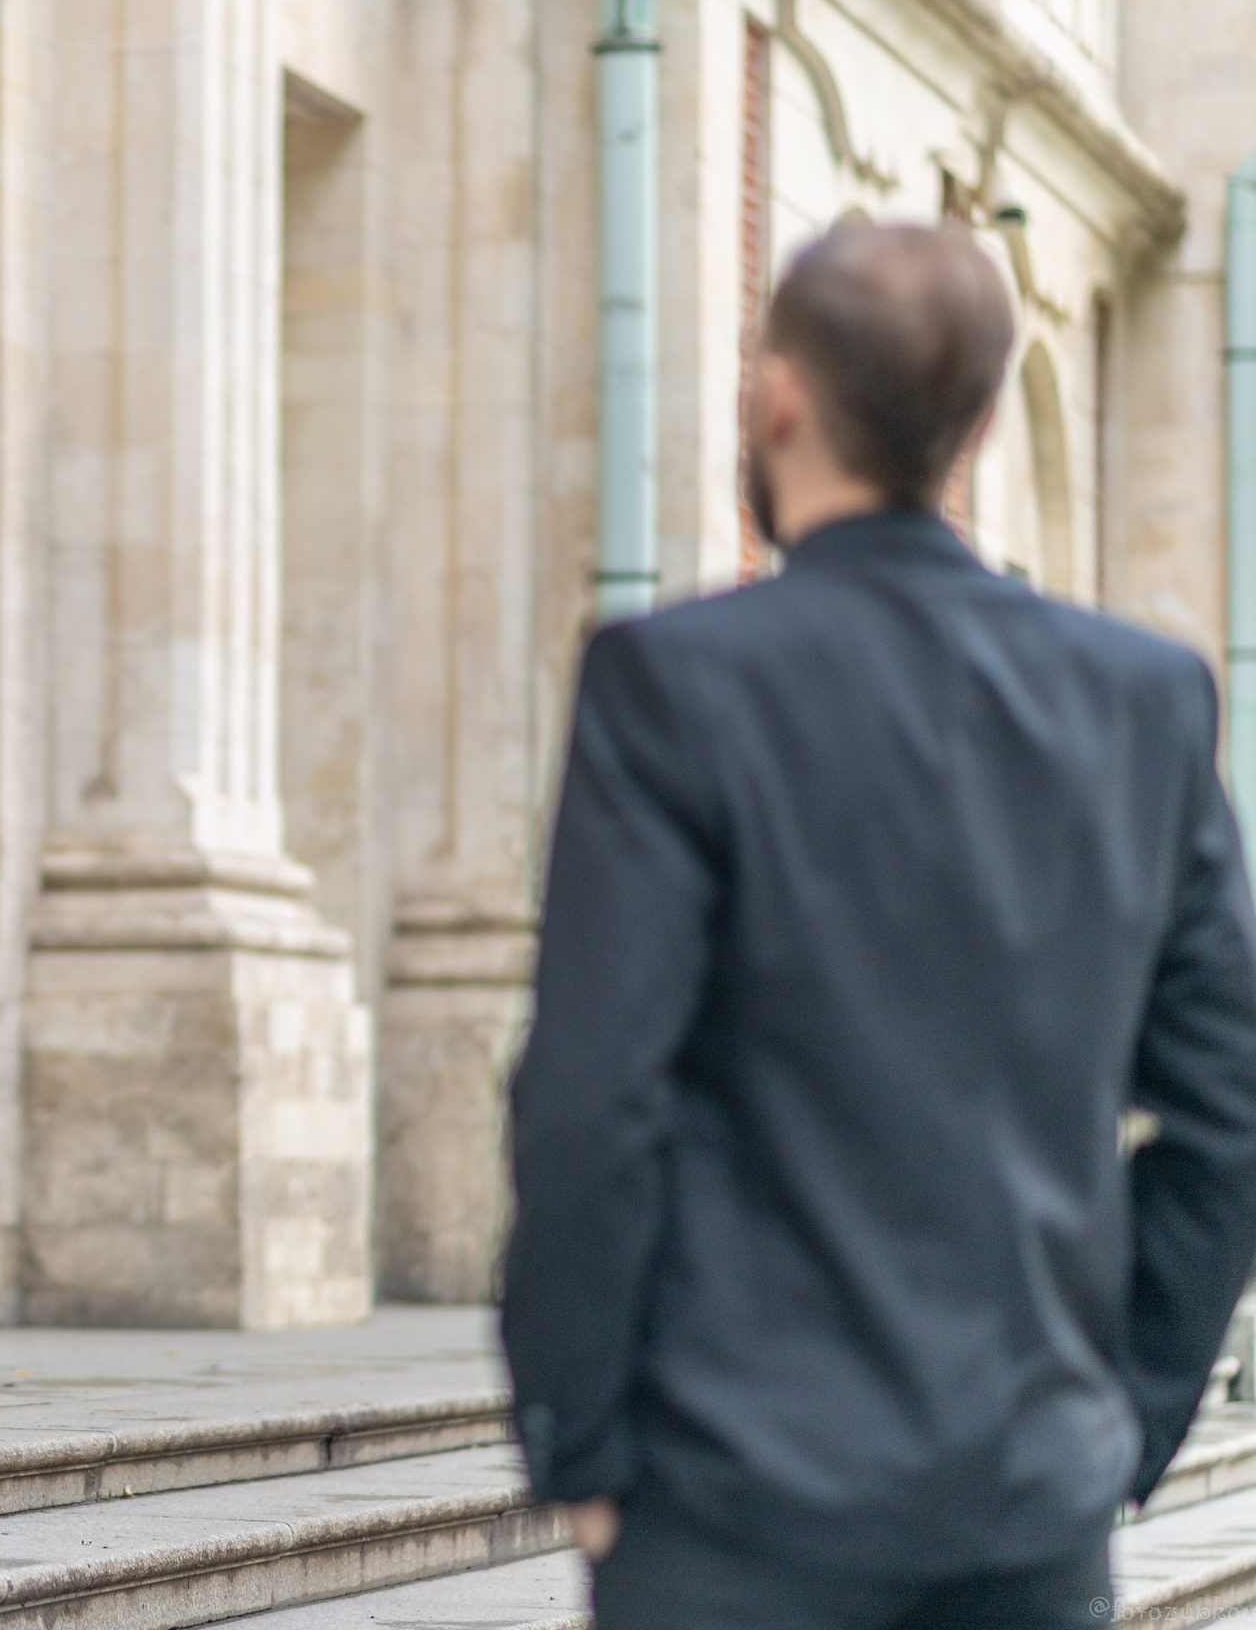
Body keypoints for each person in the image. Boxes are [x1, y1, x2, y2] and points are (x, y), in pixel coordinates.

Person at [502, 220, 1256, 1626]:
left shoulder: (672, 686)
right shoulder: (1141, 703)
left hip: (728, 1506)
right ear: (977, 422)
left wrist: (582, 1442)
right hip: (1026, 1509)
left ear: (780, 394)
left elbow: (593, 1097)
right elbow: (1231, 1106)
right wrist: (1125, 1420)